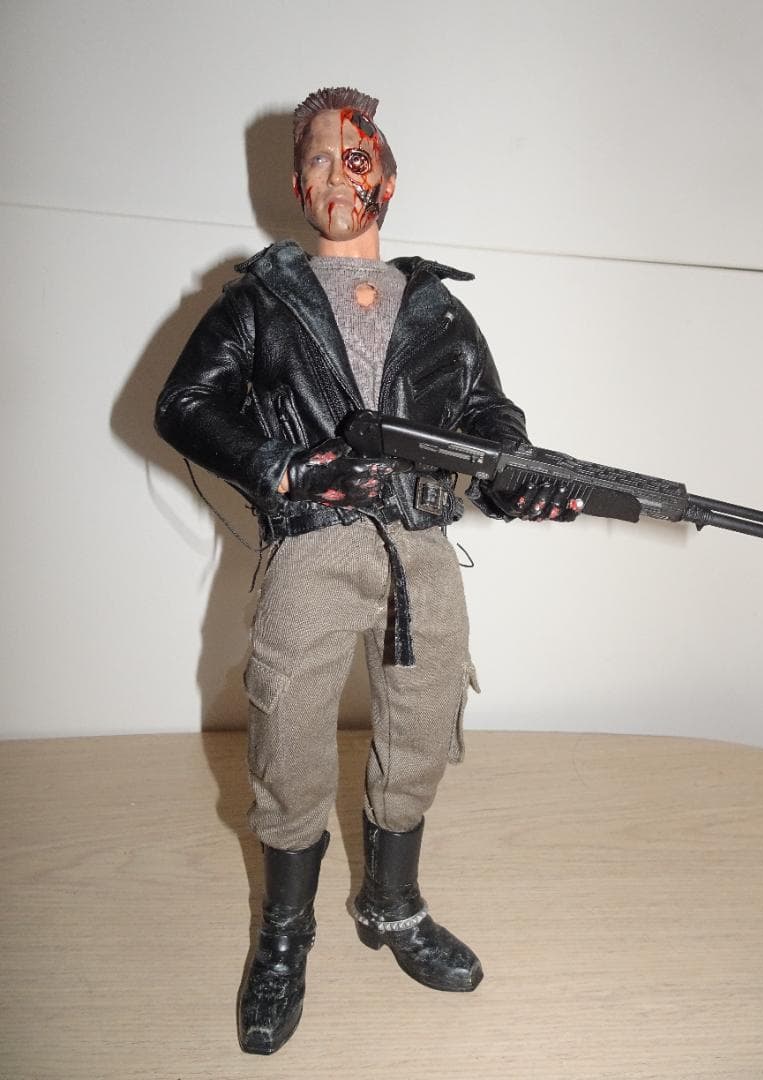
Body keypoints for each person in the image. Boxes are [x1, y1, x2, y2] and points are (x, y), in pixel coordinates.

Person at [155, 86, 579, 1055]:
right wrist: (281, 468)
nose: (336, 177)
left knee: (422, 725)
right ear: (292, 182)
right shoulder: (262, 299)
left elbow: (488, 418)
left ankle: (393, 904)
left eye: (356, 159)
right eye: (316, 159)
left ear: (388, 177)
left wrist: (520, 481)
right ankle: (285, 932)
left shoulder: (436, 308)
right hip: (312, 543)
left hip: (421, 548)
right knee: (288, 736)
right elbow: (185, 405)